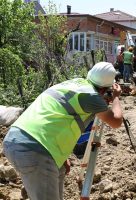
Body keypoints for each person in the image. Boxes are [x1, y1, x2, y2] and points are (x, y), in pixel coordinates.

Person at [3, 62, 123, 200]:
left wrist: (61, 157)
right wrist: (116, 97)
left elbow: (56, 117)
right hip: (35, 149)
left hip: (16, 139)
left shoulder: (74, 84)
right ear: (104, 89)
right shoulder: (91, 96)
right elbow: (116, 121)